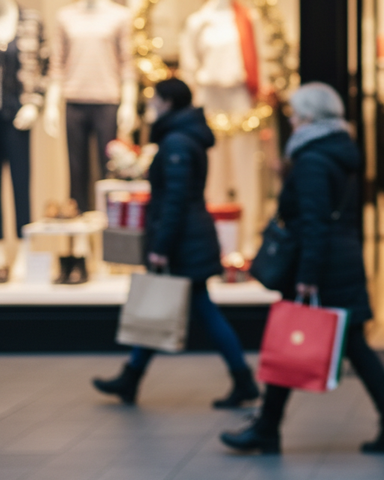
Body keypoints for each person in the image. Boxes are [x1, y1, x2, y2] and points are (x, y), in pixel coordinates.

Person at [220, 82, 384, 455]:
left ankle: (267, 428)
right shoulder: (338, 151)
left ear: (309, 117)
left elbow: (313, 222)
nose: (291, 120)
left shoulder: (311, 158)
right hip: (341, 259)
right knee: (353, 343)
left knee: (292, 342)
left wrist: (307, 276)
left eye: (294, 113)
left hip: (320, 265)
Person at [92, 78, 260, 409]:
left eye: (154, 98)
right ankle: (132, 376)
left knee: (197, 309)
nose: (151, 104)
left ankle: (242, 380)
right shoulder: (184, 137)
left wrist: (161, 246)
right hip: (190, 237)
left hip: (185, 240)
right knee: (166, 305)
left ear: (168, 102)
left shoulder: (177, 143)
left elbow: (175, 201)